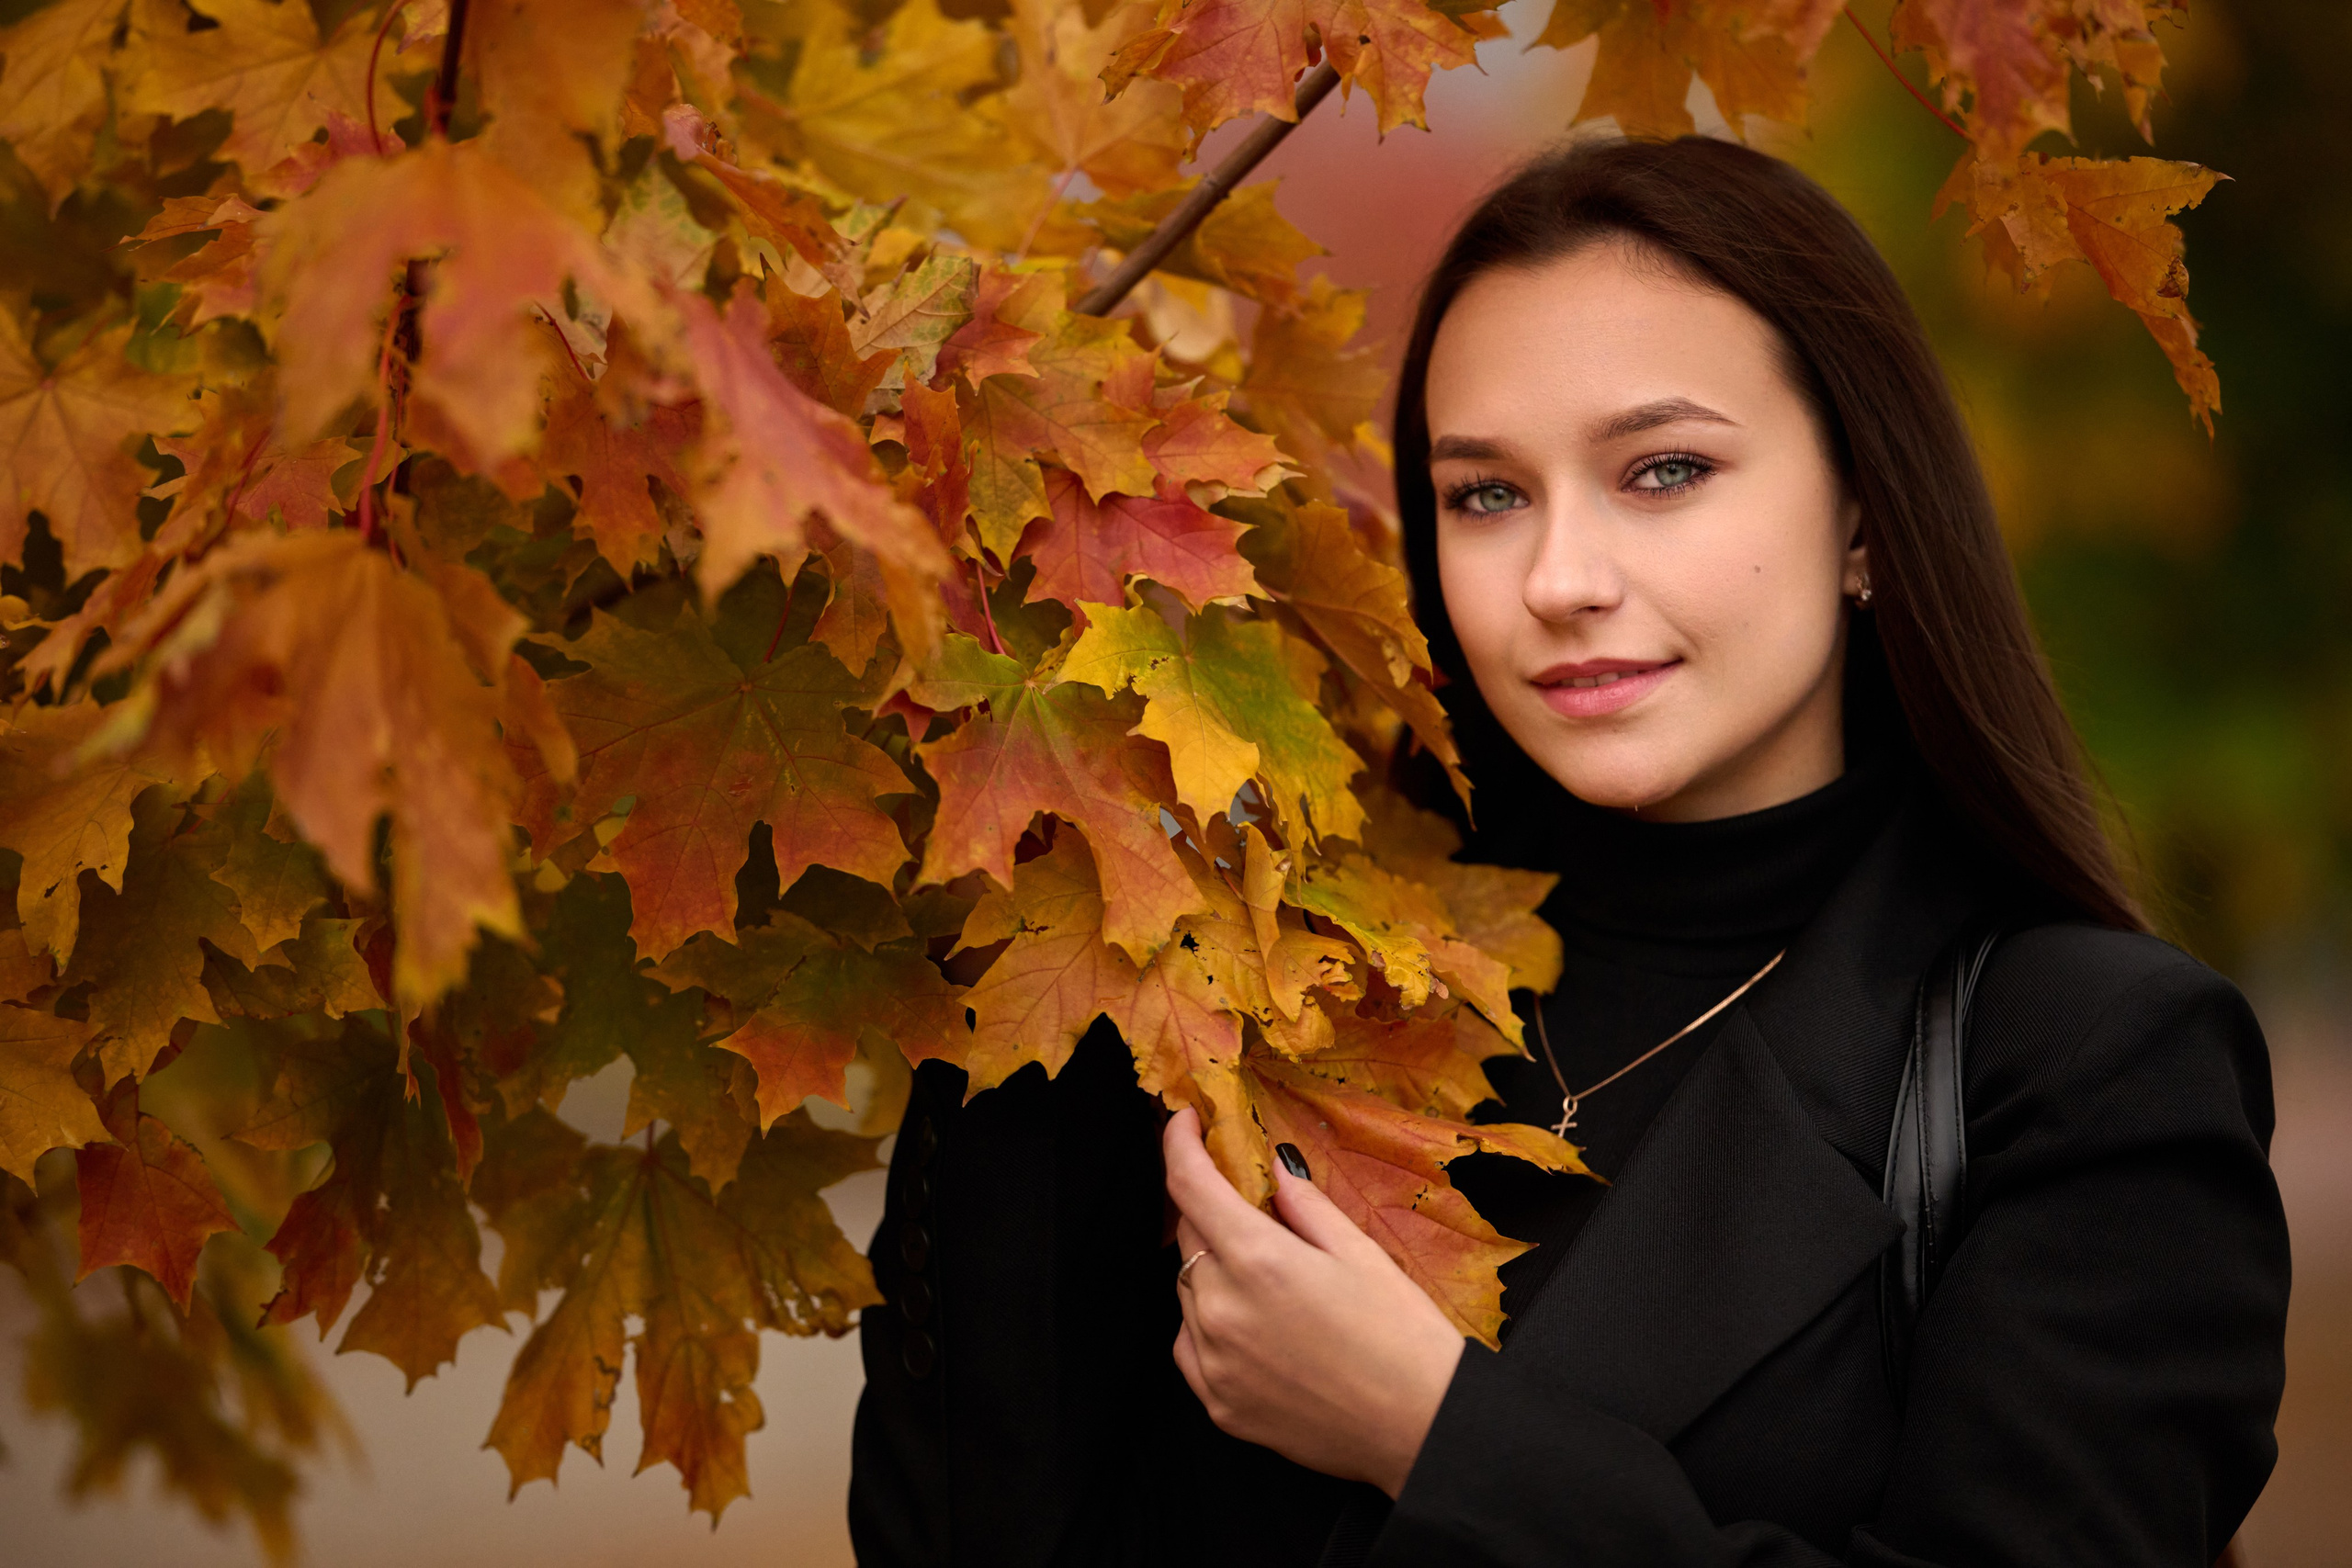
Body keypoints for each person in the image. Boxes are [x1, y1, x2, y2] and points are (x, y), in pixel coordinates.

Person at [848, 136, 2290, 1568]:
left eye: (1663, 471)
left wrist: (1433, 1434)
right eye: (1486, 494)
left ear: (1864, 513)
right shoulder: (1283, 997)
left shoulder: (2082, 1062)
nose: (1560, 581)